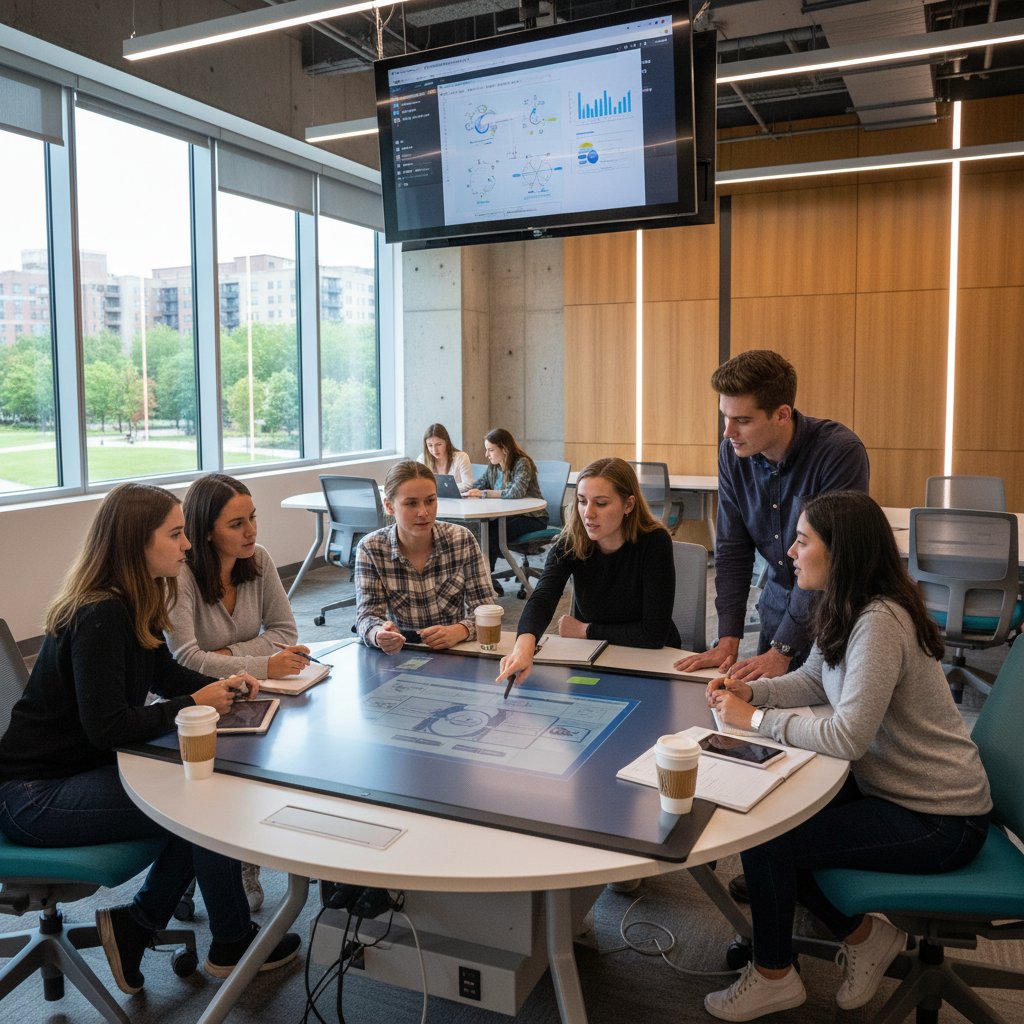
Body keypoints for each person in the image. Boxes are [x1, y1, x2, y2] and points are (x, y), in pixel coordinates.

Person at [0, 483, 300, 995]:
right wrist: (194, 705)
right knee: (204, 805)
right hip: (33, 796)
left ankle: (143, 927)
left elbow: (163, 672)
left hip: (74, 771)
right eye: (176, 534)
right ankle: (225, 940)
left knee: (202, 796)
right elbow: (109, 726)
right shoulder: (101, 613)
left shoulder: (135, 599)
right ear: (138, 542)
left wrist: (218, 685)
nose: (187, 546)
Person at [703, 491, 991, 1021]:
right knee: (774, 815)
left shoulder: (880, 621)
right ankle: (865, 937)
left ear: (842, 552)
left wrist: (758, 723)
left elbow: (848, 737)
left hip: (941, 818)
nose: (790, 551)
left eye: (803, 541)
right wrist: (754, 694)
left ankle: (773, 976)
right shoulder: (843, 601)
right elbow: (815, 677)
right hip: (895, 789)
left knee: (770, 840)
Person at [676, 349, 868, 683]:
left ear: (781, 414)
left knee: (822, 725)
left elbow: (828, 559)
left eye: (743, 420)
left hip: (832, 617)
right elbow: (732, 549)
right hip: (778, 611)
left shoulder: (838, 452)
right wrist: (728, 637)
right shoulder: (732, 455)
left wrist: (783, 649)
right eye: (725, 417)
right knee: (765, 717)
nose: (728, 432)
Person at [166, 472, 309, 912]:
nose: (251, 531)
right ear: (205, 531)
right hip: (193, 704)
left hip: (249, 695)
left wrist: (226, 653)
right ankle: (203, 860)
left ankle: (236, 854)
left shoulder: (259, 561)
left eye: (253, 518)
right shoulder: (182, 574)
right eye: (236, 524)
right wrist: (261, 661)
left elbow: (286, 631)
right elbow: (185, 660)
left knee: (268, 760)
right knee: (220, 779)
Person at [497, 458, 680, 687]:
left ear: (628, 505)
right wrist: (524, 644)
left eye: (601, 503)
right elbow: (543, 596)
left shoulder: (655, 542)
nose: (588, 513)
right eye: (582, 501)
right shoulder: (571, 541)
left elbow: (652, 634)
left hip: (651, 660)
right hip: (592, 655)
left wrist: (585, 630)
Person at [355, 460, 495, 655]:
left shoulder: (461, 539)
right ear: (389, 506)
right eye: (411, 503)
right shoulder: (371, 548)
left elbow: (485, 608)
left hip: (454, 649)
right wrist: (379, 633)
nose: (424, 512)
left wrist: (461, 630)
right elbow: (367, 617)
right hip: (402, 650)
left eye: (430, 500)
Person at [464, 427, 548, 572]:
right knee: (480, 530)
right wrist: (464, 491)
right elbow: (478, 485)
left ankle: (487, 580)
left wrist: (485, 493)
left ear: (504, 449)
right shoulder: (494, 467)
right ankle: (484, 578)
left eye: (490, 450)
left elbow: (515, 492)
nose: (486, 455)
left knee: (491, 534)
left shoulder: (522, 463)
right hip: (508, 517)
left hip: (533, 519)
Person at [417, 422, 474, 491]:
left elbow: (468, 484)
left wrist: (441, 489)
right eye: (430, 445)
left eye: (439, 444)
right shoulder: (422, 459)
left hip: (458, 500)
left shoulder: (461, 457)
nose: (434, 450)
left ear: (446, 442)